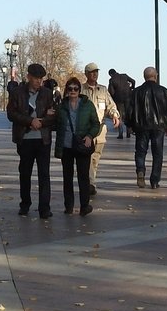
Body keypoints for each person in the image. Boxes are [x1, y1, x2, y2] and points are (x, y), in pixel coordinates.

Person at [6, 63, 56, 218]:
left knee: (44, 174)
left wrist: (42, 121)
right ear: (28, 77)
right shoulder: (17, 93)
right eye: (35, 79)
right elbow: (11, 113)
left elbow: (54, 114)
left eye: (41, 79)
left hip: (43, 139)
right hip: (25, 138)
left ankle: (44, 208)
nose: (38, 82)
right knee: (25, 172)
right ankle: (25, 203)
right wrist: (29, 121)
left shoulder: (47, 94)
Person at [55, 76, 100, 215]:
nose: (73, 91)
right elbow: (55, 124)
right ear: (67, 90)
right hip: (66, 146)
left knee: (83, 177)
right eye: (70, 88)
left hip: (82, 146)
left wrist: (89, 136)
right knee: (67, 177)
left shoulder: (87, 105)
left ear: (79, 90)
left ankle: (84, 206)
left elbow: (96, 124)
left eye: (75, 88)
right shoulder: (62, 106)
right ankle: (68, 206)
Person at [125, 66, 167, 190]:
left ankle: (140, 171)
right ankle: (155, 180)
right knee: (158, 154)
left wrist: (129, 125)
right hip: (159, 127)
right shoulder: (163, 91)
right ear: (155, 76)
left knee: (141, 152)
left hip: (141, 126)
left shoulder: (136, 92)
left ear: (144, 76)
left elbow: (129, 109)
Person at [79, 62, 120, 186]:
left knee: (95, 157)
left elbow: (110, 105)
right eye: (92, 72)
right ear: (86, 74)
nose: (95, 74)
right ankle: (90, 183)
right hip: (85, 129)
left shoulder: (103, 90)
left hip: (100, 129)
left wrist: (114, 115)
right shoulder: (80, 89)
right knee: (87, 157)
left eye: (96, 72)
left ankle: (90, 180)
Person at [107, 69, 134, 139]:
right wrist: (131, 88)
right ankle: (128, 132)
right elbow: (133, 81)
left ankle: (121, 134)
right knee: (128, 114)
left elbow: (111, 92)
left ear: (110, 74)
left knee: (120, 116)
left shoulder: (112, 80)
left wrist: (113, 99)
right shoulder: (124, 76)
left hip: (118, 99)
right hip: (128, 97)